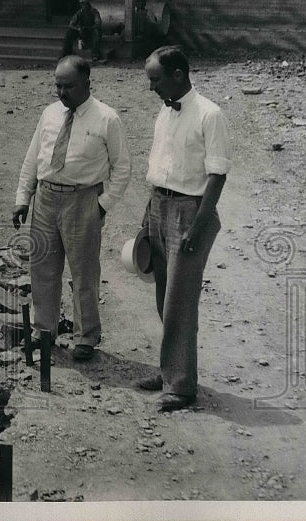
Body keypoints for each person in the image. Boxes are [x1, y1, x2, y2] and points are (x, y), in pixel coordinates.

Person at [12, 55, 131, 360]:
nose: (61, 92)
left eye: (68, 86)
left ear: (87, 83)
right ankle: (44, 330)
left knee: (83, 273)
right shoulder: (49, 114)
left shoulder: (107, 118)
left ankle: (86, 337)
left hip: (83, 200)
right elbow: (32, 158)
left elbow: (123, 168)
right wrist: (23, 199)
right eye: (57, 85)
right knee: (42, 268)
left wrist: (102, 205)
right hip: (46, 199)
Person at [140, 45, 232, 411]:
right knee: (163, 295)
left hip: (189, 212)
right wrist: (147, 214)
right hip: (159, 205)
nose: (151, 88)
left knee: (180, 301)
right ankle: (170, 371)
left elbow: (217, 174)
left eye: (155, 80)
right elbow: (160, 166)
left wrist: (200, 222)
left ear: (178, 74)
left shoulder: (211, 114)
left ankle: (181, 385)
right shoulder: (164, 113)